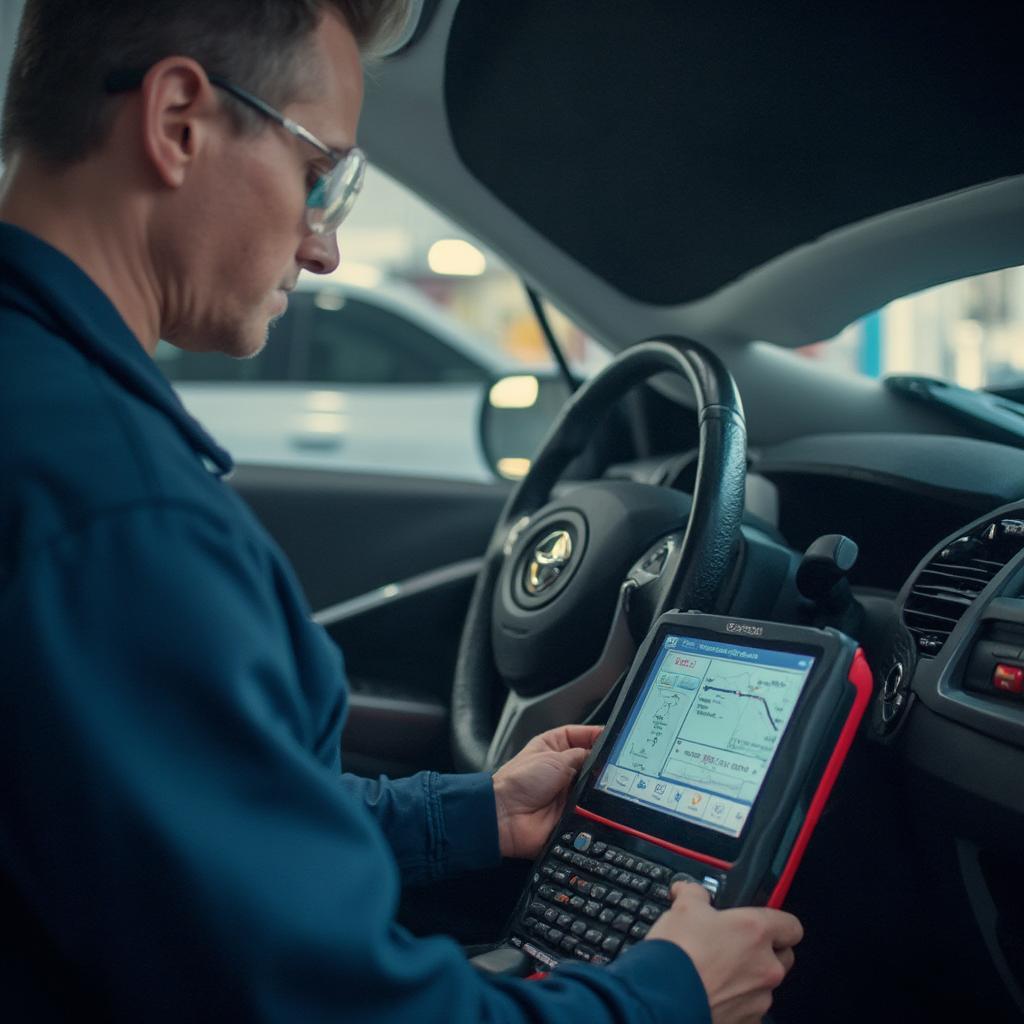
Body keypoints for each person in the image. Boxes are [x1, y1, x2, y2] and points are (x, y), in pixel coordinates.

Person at [0, 1, 803, 1021]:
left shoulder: (50, 429)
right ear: (177, 122)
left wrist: (475, 814)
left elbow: (180, 825)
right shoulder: (119, 515)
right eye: (318, 175)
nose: (324, 246)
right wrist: (664, 996)